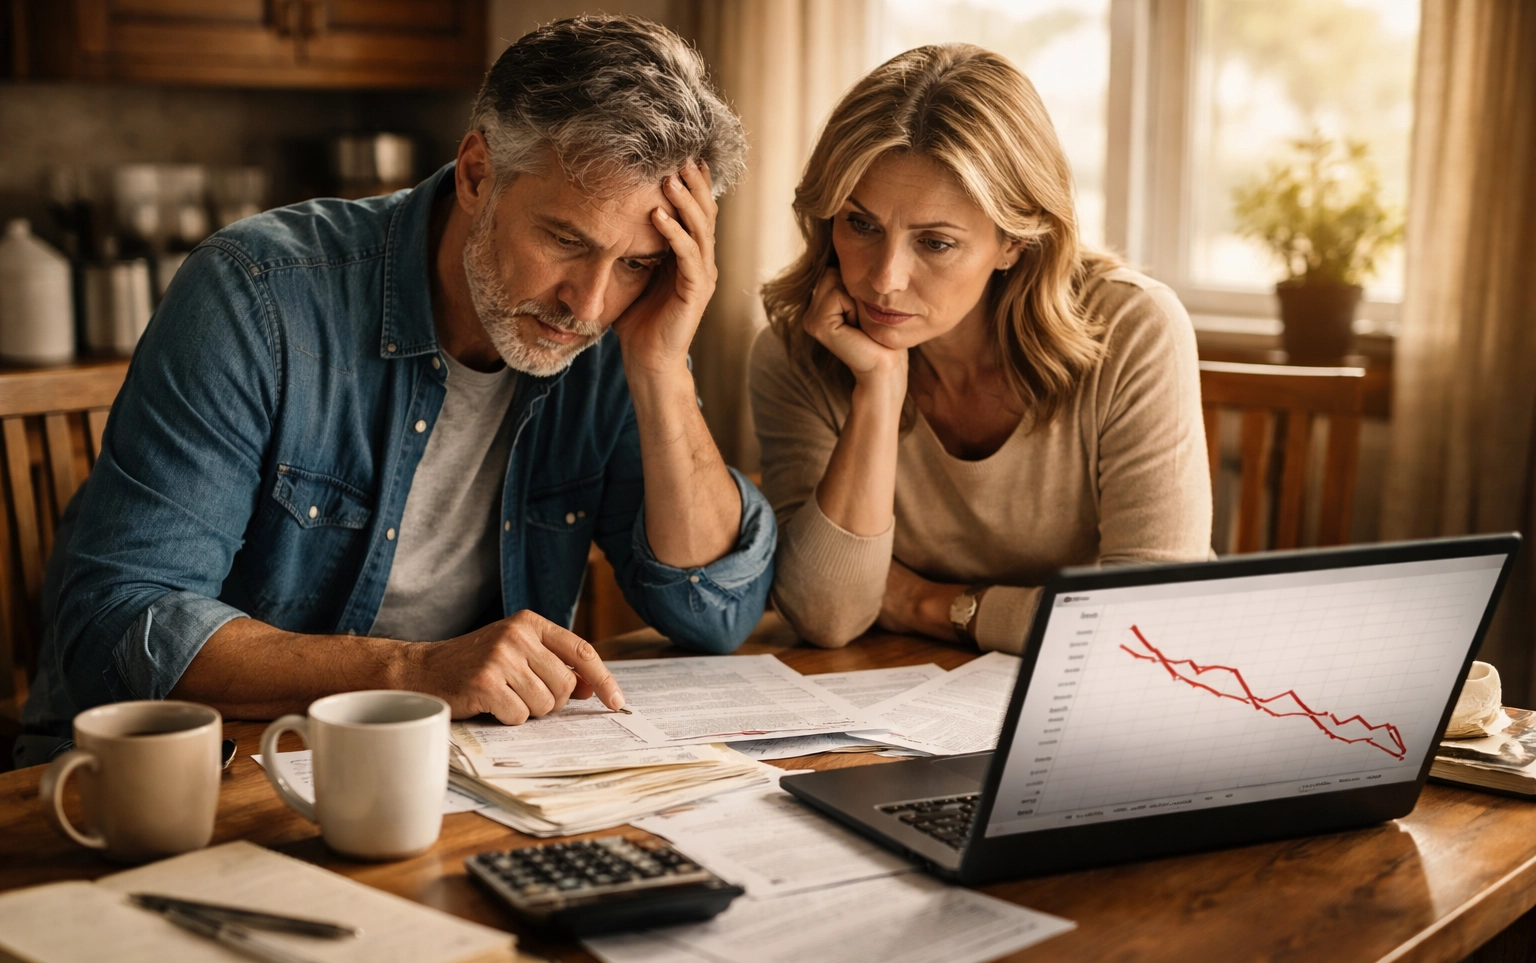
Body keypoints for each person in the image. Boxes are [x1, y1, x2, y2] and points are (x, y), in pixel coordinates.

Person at [15, 15, 776, 768]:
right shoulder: (256, 295)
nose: (587, 304)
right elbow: (120, 624)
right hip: (203, 769)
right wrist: (415, 674)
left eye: (638, 262)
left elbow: (714, 614)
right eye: (566, 240)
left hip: (459, 772)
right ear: (478, 173)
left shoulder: (618, 334)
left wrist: (662, 367)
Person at [751, 44, 1211, 655]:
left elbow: (1147, 625)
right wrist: (879, 390)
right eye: (861, 226)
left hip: (1099, 704)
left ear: (1015, 242)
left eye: (935, 243)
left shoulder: (1134, 328)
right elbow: (828, 616)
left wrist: (924, 603)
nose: (884, 278)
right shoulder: (797, 351)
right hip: (895, 694)